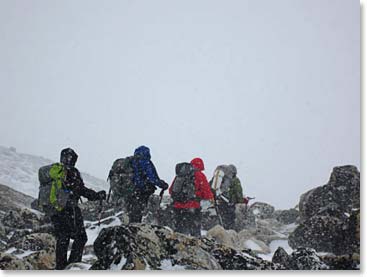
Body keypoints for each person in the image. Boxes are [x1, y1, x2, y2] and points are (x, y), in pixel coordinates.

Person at [50, 148, 106, 270]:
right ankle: (72, 266)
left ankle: (61, 266)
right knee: (81, 237)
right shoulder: (71, 172)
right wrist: (96, 195)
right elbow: (81, 189)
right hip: (69, 209)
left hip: (55, 210)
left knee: (62, 237)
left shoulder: (55, 172)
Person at [169, 157, 213, 237]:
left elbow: (171, 190)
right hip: (192, 208)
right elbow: (207, 194)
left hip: (177, 208)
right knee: (195, 234)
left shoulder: (180, 174)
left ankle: (176, 247)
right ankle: (194, 248)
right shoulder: (200, 175)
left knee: (179, 233)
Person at [126, 145, 168, 223]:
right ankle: (136, 230)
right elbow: (152, 178)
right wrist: (162, 184)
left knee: (132, 214)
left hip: (129, 191)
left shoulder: (131, 161)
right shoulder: (146, 162)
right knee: (138, 213)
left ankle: (130, 228)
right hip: (141, 191)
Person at [211, 164, 243, 230]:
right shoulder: (235, 180)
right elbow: (238, 192)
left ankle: (221, 230)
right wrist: (240, 202)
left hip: (219, 200)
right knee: (230, 219)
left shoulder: (219, 178)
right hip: (229, 203)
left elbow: (211, 187)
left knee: (221, 217)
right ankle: (229, 231)